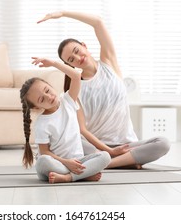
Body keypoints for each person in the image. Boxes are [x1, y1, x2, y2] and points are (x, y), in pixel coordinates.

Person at [37, 11, 171, 169]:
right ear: (70, 66)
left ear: (84, 46)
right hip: (97, 148)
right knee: (73, 140)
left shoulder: (109, 62)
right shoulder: (75, 89)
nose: (77, 57)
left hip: (126, 145)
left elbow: (98, 22)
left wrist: (63, 14)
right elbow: (82, 130)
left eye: (76, 50)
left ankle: (106, 164)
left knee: (163, 143)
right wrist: (107, 150)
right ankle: (124, 161)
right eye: (71, 59)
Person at [20, 56, 115, 183]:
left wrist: (53, 63)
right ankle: (83, 174)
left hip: (78, 162)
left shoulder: (67, 101)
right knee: (43, 161)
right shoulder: (42, 124)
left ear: (51, 86)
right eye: (42, 99)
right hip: (57, 164)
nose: (48, 97)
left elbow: (76, 76)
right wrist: (66, 163)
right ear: (37, 107)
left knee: (105, 156)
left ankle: (69, 177)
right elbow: (44, 152)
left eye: (47, 90)